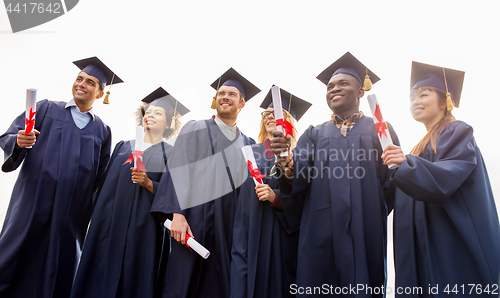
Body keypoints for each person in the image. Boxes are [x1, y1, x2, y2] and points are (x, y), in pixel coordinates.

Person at [270, 52, 399, 296]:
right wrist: (284, 158)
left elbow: (392, 181)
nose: (334, 89)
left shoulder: (380, 130)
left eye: (343, 83)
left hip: (365, 231)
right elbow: (297, 177)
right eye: (330, 86)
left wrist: (369, 207)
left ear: (361, 91)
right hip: (320, 232)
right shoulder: (314, 134)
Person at [0, 56, 122, 297]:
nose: (81, 84)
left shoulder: (102, 131)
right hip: (32, 204)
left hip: (72, 216)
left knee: (61, 267)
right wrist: (19, 141)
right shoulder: (45, 109)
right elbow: (9, 137)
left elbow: (100, 178)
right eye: (79, 79)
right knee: (15, 255)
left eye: (90, 82)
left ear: (100, 94)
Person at [382, 62, 500, 296]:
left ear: (445, 101)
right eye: (412, 98)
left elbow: (445, 177)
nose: (415, 101)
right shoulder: (419, 147)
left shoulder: (456, 131)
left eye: (423, 94)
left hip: (448, 245)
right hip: (420, 250)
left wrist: (405, 164)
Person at [151, 68, 259, 298]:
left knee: (219, 283)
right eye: (221, 93)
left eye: (231, 94)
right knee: (183, 281)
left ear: (242, 103)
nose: (225, 97)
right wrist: (177, 215)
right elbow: (178, 169)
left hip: (229, 226)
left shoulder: (247, 144)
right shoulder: (196, 128)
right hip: (193, 219)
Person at [70, 87, 189, 298]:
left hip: (145, 231)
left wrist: (149, 183)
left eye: (158, 113)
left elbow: (177, 195)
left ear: (169, 122)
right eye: (148, 111)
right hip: (108, 227)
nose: (150, 115)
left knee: (136, 282)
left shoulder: (172, 154)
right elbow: (102, 185)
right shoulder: (122, 147)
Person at [231, 86, 311, 298]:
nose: (269, 117)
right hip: (246, 234)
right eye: (266, 114)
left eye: (276, 114)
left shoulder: (299, 157)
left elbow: (306, 201)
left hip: (281, 239)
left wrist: (277, 199)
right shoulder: (248, 153)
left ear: (288, 122)